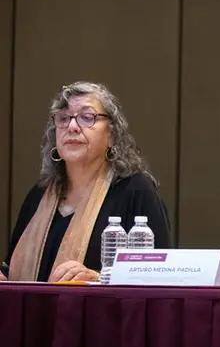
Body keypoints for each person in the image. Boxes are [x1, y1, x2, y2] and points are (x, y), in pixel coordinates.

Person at [1, 82, 171, 283]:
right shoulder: (39, 195)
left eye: (87, 117)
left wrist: (98, 280)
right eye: (63, 118)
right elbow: (10, 271)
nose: (72, 127)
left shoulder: (135, 192)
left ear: (112, 135)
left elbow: (161, 278)